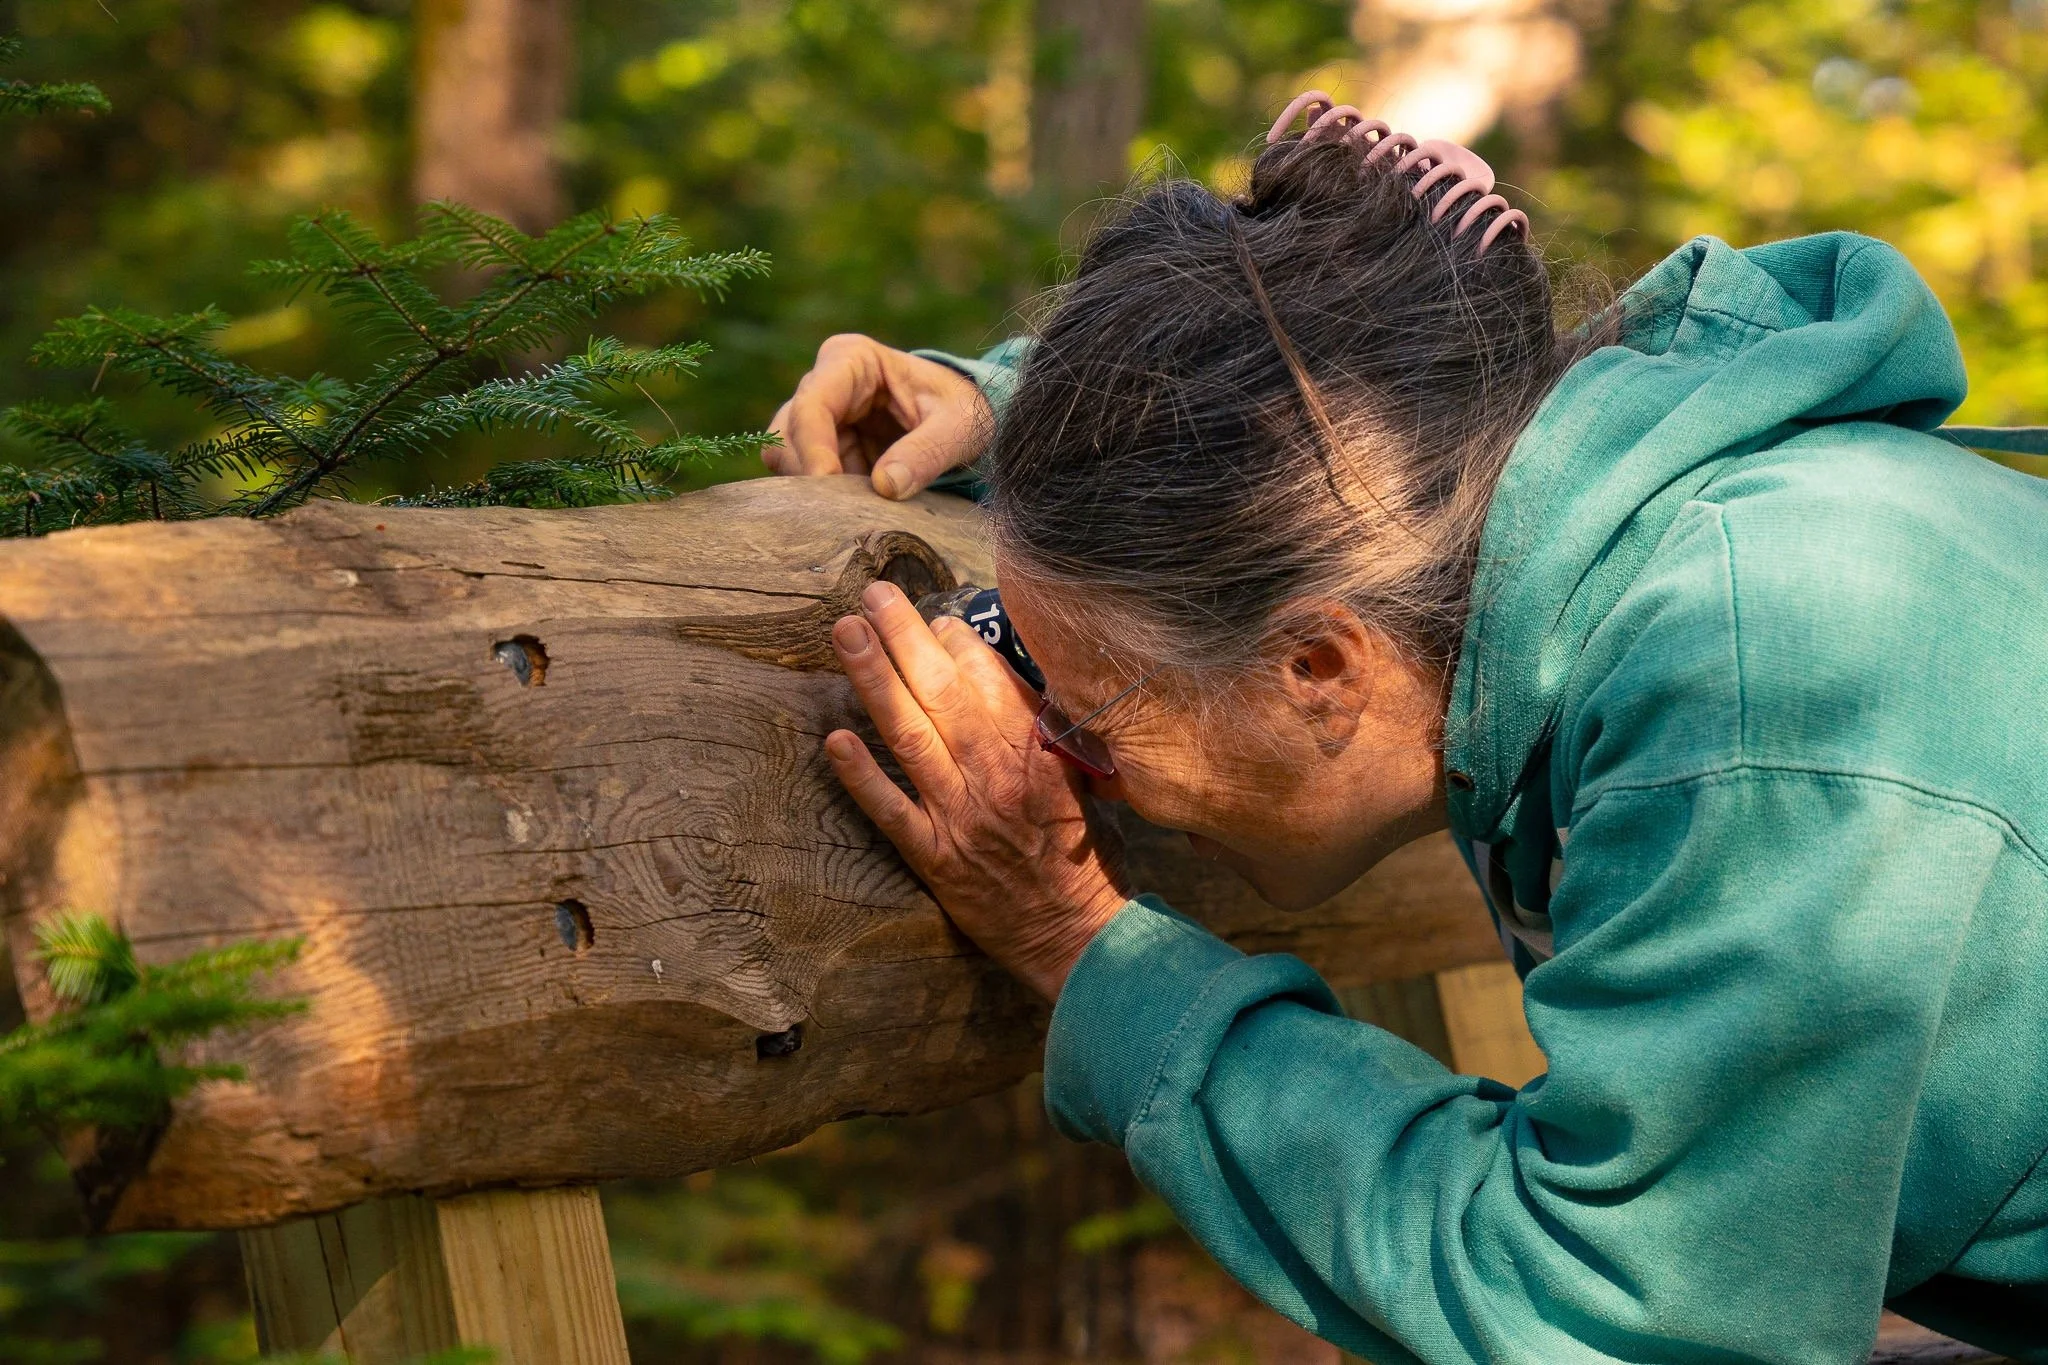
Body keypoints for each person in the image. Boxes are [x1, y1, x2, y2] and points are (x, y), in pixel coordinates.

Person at [761, 93, 2048, 1363]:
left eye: (1090, 725)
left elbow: (1607, 1315)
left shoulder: (1764, 706)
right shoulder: (1615, 523)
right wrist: (1017, 414)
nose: (1068, 762)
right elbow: (1347, 423)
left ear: (1319, 665)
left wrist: (1077, 941)